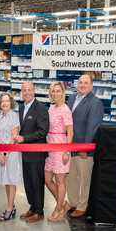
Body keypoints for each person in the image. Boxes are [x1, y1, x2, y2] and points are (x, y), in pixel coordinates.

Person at [65, 74, 104, 218]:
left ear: (91, 85)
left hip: (83, 149)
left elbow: (92, 128)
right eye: (80, 82)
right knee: (71, 177)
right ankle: (74, 202)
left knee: (85, 179)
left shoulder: (95, 103)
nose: (82, 85)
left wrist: (85, 149)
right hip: (69, 146)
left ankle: (83, 206)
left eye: (86, 83)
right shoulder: (71, 98)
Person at [14, 81, 49, 223]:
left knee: (37, 182)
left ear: (34, 90)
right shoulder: (22, 107)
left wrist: (23, 138)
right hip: (25, 153)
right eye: (24, 90)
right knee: (28, 182)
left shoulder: (40, 108)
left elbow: (42, 131)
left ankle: (39, 211)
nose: (26, 92)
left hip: (36, 153)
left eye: (29, 90)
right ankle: (33, 207)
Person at [44, 81, 74, 221]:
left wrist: (66, 151)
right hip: (50, 146)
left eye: (58, 91)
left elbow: (70, 132)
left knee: (60, 181)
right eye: (53, 91)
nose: (55, 94)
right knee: (47, 179)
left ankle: (59, 209)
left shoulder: (65, 110)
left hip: (61, 147)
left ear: (63, 92)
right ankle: (62, 203)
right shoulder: (51, 108)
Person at [0, 93, 23, 221]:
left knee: (10, 181)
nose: (4, 103)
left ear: (11, 103)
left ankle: (9, 208)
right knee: (5, 180)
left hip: (11, 153)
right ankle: (12, 205)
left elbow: (14, 137)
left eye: (7, 101)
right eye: (2, 101)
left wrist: (5, 155)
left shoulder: (14, 116)